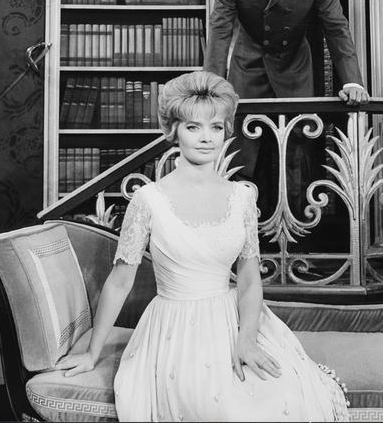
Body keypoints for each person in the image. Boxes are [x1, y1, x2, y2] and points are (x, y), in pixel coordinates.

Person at [55, 71, 349, 422]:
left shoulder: (242, 197)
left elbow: (249, 280)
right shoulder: (148, 200)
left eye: (216, 127)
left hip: (234, 321)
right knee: (220, 407)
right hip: (175, 329)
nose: (207, 138)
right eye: (193, 127)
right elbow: (119, 283)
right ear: (174, 130)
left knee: (285, 397)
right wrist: (92, 352)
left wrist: (246, 339)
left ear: (226, 131)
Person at [204, 0, 369, 219]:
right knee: (243, 160)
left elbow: (336, 28)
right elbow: (220, 29)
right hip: (247, 72)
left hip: (295, 72)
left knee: (295, 159)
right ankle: (244, 237)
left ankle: (298, 241)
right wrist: (210, 87)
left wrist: (352, 81)